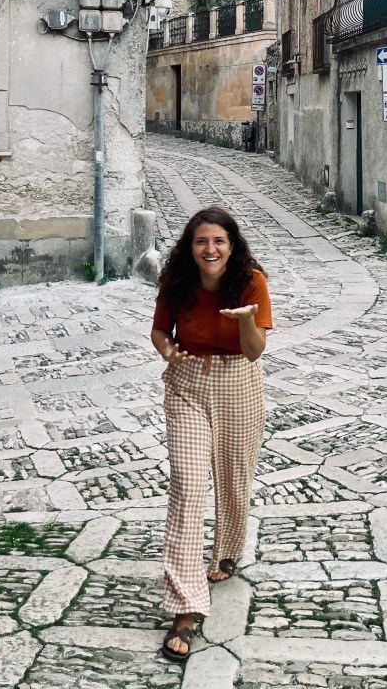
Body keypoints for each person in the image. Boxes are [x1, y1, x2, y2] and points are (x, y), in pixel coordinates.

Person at [150, 206, 272, 662]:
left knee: (234, 479)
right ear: (190, 247)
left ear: (232, 245)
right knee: (187, 485)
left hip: (238, 382)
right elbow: (159, 330)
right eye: (201, 241)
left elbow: (255, 351)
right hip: (188, 386)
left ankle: (225, 552)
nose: (210, 249)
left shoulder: (252, 282)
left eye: (219, 240)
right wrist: (168, 351)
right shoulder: (177, 281)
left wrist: (245, 319)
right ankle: (184, 609)